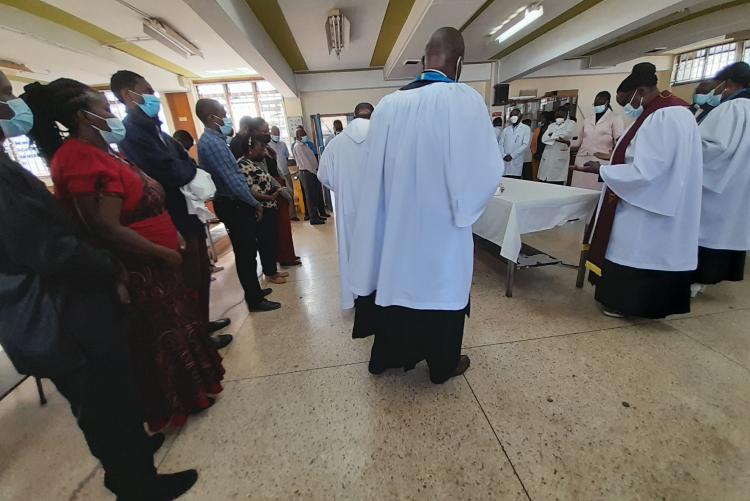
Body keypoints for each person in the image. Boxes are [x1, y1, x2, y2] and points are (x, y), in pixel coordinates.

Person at [0, 71, 198, 501]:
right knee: (103, 402)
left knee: (116, 394)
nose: (12, 105)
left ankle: (131, 457)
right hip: (61, 311)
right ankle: (135, 484)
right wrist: (110, 265)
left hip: (75, 302)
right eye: (4, 95)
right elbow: (49, 247)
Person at [24, 78, 226, 431]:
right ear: (83, 116)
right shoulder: (77, 158)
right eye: (104, 108)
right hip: (137, 267)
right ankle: (169, 407)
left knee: (172, 330)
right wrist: (161, 253)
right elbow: (102, 226)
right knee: (153, 341)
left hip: (154, 261)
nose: (111, 113)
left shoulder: (105, 151)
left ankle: (192, 395)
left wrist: (170, 233)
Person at [347, 27, 503, 383]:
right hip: (442, 228)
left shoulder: (388, 105)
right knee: (441, 287)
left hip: (397, 226)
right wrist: (467, 205)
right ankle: (441, 364)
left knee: (396, 284)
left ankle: (385, 356)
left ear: (422, 60)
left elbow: (375, 173)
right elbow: (486, 168)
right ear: (459, 62)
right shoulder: (465, 100)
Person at [110, 70, 232, 349]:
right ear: (129, 95)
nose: (153, 97)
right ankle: (197, 337)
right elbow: (170, 171)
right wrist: (185, 168)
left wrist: (184, 167)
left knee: (200, 275)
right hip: (173, 215)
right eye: (148, 91)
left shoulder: (155, 129)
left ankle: (203, 323)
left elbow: (183, 161)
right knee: (188, 278)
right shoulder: (133, 133)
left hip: (187, 212)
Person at [574, 62, 702, 319]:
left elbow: (647, 170)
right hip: (656, 195)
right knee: (642, 249)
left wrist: (602, 170)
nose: (629, 108)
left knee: (635, 249)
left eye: (627, 101)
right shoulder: (667, 112)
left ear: (641, 90)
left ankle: (628, 303)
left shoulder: (664, 116)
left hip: (649, 200)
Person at [195, 98, 280, 312]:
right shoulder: (212, 143)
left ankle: (256, 291)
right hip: (234, 204)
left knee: (249, 251)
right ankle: (254, 299)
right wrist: (255, 202)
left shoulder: (217, 141)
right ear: (210, 117)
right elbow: (233, 179)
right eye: (222, 113)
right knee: (245, 252)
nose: (226, 117)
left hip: (236, 203)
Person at [693, 62, 750, 295]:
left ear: (728, 84)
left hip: (717, 185)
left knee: (706, 232)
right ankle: (707, 280)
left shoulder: (731, 109)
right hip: (741, 186)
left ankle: (694, 281)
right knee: (727, 232)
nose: (717, 92)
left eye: (718, 86)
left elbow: (712, 147)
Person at [318, 102, 374, 309]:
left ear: (353, 117)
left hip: (348, 208)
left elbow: (323, 175)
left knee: (351, 250)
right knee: (378, 250)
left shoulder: (336, 143)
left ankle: (357, 296)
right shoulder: (385, 139)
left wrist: (341, 189)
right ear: (373, 117)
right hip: (380, 209)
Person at [247, 118, 301, 267]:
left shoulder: (267, 149)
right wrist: (281, 190)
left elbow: (275, 167)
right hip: (273, 190)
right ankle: (284, 257)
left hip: (279, 186)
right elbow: (267, 175)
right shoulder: (255, 153)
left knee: (285, 226)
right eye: (265, 131)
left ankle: (288, 254)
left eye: (268, 130)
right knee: (280, 227)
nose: (268, 133)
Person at [235, 134, 288, 284]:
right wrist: (270, 197)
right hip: (261, 209)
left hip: (269, 207)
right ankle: (270, 273)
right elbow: (250, 190)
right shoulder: (243, 165)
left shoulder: (254, 163)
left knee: (271, 240)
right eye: (261, 149)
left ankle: (273, 270)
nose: (264, 152)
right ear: (250, 149)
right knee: (266, 242)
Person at [572, 91, 624, 170]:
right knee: (578, 182)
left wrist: (613, 155)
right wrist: (567, 142)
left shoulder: (615, 118)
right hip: (581, 158)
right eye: (595, 104)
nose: (597, 106)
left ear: (607, 103)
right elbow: (578, 141)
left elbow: (619, 142)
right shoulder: (587, 119)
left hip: (600, 160)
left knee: (594, 181)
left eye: (599, 104)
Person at [293, 126, 327, 225]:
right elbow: (306, 163)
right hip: (307, 173)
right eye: (303, 135)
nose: (305, 136)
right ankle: (313, 218)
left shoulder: (304, 145)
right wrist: (316, 172)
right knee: (310, 197)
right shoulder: (298, 147)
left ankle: (317, 215)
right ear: (298, 136)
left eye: (305, 134)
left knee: (315, 195)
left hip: (312, 172)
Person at [538, 107, 576, 184]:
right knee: (544, 182)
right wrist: (557, 137)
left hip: (559, 157)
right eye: (557, 116)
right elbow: (544, 138)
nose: (558, 118)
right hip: (548, 156)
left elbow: (567, 135)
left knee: (556, 182)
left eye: (561, 116)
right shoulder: (551, 125)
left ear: (566, 115)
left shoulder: (571, 123)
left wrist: (552, 135)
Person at [268, 125, 299, 220]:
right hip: (276, 175)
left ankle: (293, 215)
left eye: (278, 133)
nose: (277, 135)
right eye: (275, 133)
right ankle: (284, 216)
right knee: (281, 195)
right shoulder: (268, 145)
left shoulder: (283, 144)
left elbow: (286, 157)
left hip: (286, 172)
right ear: (271, 134)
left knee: (290, 193)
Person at [501, 108, 531, 179]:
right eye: (511, 115)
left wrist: (512, 155)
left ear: (520, 116)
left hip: (516, 161)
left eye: (515, 115)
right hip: (505, 160)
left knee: (514, 183)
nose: (513, 117)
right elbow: (500, 144)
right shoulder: (506, 129)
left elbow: (525, 145)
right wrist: (503, 155)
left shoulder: (526, 129)